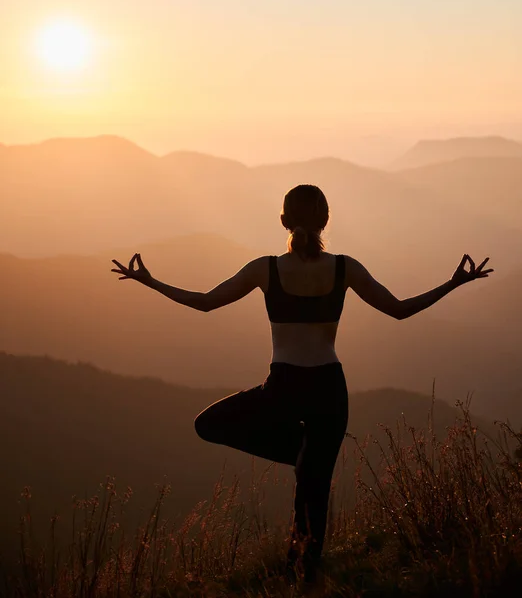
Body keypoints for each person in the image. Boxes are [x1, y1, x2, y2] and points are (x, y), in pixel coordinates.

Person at [111, 184, 493, 583]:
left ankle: (298, 550)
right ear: (326, 221)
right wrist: (452, 285)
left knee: (209, 424)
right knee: (316, 485)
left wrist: (151, 282)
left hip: (283, 389)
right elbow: (399, 310)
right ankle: (306, 559)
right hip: (330, 388)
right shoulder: (345, 268)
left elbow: (207, 301)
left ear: (283, 222)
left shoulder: (267, 268)